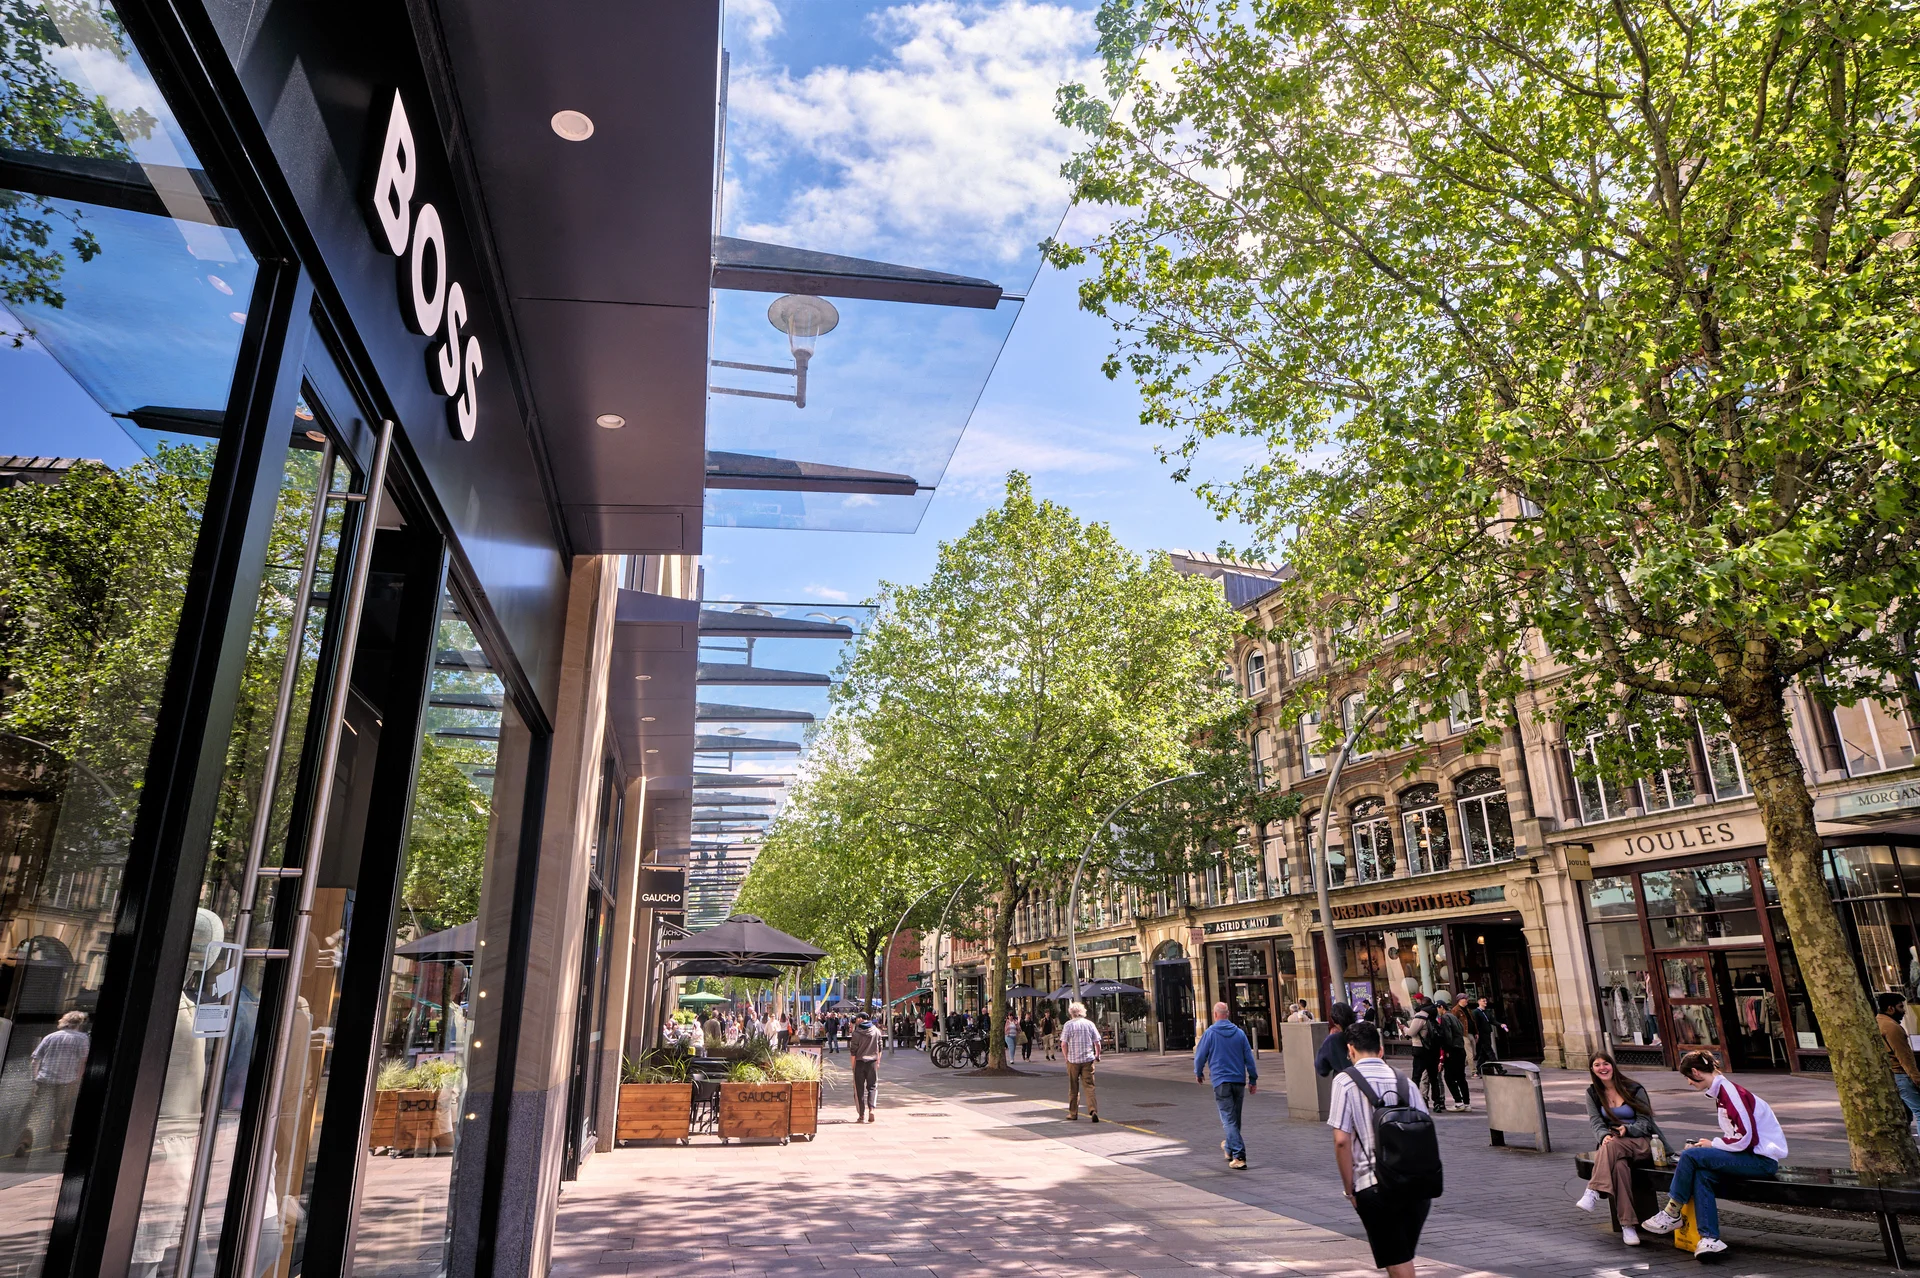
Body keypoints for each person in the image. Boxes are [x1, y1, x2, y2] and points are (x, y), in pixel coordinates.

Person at [1640, 1050, 1788, 1259]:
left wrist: (1714, 1144)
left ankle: (1672, 1212)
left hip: (1761, 1161)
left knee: (1691, 1156)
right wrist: (1713, 1147)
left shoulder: (1730, 1093)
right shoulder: (1723, 1092)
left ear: (1695, 1072)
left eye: (1687, 1078)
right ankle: (1710, 1239)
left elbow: (1746, 1138)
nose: (1689, 1083)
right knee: (1702, 1175)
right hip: (1752, 1157)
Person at [1329, 1021, 1434, 1278]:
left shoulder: (1345, 1082)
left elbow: (1341, 1140)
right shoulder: (1404, 1082)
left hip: (1374, 1185)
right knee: (1400, 1255)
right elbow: (1425, 1127)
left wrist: (1349, 1189)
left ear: (1350, 1050)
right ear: (1381, 1050)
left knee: (1397, 1260)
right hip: (1417, 1185)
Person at [1575, 1053, 1674, 1245]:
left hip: (1643, 1142)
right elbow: (1595, 1123)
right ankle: (1628, 1226)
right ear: (1592, 1069)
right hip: (1613, 1145)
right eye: (1597, 1065)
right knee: (1619, 1167)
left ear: (1613, 1066)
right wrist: (1604, 1136)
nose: (1602, 1068)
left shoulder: (1634, 1088)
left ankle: (1593, 1190)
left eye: (1606, 1063)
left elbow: (1646, 1123)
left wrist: (1627, 1129)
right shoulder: (1593, 1093)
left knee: (1613, 1146)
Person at [1194, 1002, 1258, 1170]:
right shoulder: (1239, 1033)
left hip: (1221, 1081)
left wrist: (1198, 1072)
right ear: (1227, 1014)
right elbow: (1249, 1058)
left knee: (1229, 1119)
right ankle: (1229, 1148)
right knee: (1235, 1118)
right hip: (1238, 1080)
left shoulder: (1210, 1033)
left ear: (1215, 1015)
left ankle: (1239, 1155)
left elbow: (1200, 1056)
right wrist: (1253, 1079)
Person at [16, 1011, 88, 1156]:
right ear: (79, 1023)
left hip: (45, 1080)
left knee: (37, 1113)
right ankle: (57, 1144)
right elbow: (83, 1061)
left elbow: (35, 1059)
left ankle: (24, 1142)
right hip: (67, 1081)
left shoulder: (50, 1037)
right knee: (62, 1114)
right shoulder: (82, 1038)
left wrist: (35, 1078)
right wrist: (78, 1078)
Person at [1877, 992, 1920, 1128]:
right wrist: (1917, 1079)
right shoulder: (1892, 1027)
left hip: (1890, 1074)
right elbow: (1904, 1057)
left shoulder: (1878, 1021)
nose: (1904, 1011)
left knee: (1904, 1114)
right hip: (1901, 1075)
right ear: (1891, 1008)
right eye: (1901, 1007)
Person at [1060, 1001, 1101, 1121]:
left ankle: (1073, 1113)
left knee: (1073, 1087)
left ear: (1071, 1013)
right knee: (1089, 1086)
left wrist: (1066, 1057)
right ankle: (1093, 1110)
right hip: (1088, 1059)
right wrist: (1097, 1055)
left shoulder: (1068, 1025)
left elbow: (1063, 1044)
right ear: (1082, 1011)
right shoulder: (1089, 1024)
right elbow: (1097, 1042)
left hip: (1073, 1060)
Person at [1404, 997, 1444, 1110]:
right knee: (1433, 1078)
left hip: (1420, 1049)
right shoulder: (1434, 1013)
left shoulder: (1421, 1015)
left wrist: (1404, 1028)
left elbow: (1412, 1032)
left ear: (1422, 1004)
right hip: (1433, 1050)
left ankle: (1414, 1101)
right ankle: (1437, 1102)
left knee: (1416, 1076)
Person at [849, 1010, 884, 1123]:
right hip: (872, 1062)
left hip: (859, 1062)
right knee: (872, 1087)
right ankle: (872, 1109)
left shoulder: (856, 1033)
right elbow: (880, 1047)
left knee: (859, 1089)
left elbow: (853, 1052)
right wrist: (878, 1061)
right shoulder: (877, 1031)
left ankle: (861, 1115)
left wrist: (852, 1066)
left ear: (860, 1019)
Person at [1438, 995, 1471, 1111]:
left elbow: (1447, 1035)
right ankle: (1467, 1103)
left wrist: (1446, 1050)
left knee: (1449, 1077)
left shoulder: (1445, 1018)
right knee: (1461, 1077)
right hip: (1460, 1049)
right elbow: (1461, 1029)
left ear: (1441, 1007)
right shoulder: (1453, 1016)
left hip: (1453, 1050)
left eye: (1438, 1008)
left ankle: (1458, 1102)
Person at [1315, 1002, 1356, 1078]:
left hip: (1344, 1083)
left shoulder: (1333, 1040)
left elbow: (1321, 1069)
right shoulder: (1367, 1033)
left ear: (1335, 1023)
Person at [1471, 996, 1498, 1072]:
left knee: (1483, 1053)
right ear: (1479, 1002)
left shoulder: (1487, 1011)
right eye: (1483, 1001)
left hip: (1487, 1033)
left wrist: (1501, 1025)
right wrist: (1476, 1033)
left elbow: (1492, 1021)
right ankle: (1499, 1068)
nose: (1485, 1002)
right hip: (1482, 1034)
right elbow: (1476, 1024)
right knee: (1490, 1051)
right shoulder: (1476, 1012)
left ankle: (1478, 1068)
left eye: (1486, 1001)